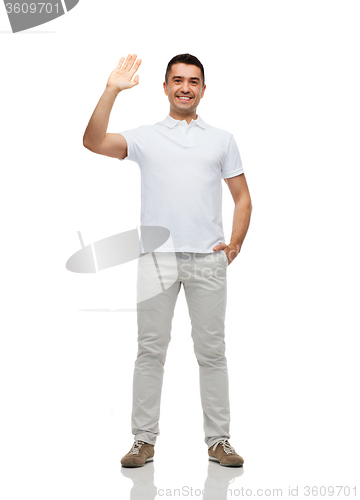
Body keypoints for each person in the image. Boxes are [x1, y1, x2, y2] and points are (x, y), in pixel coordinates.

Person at [83, 53, 252, 468]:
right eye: (177, 80)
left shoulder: (222, 139)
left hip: (207, 261)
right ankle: (143, 441)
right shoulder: (146, 137)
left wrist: (235, 243)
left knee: (212, 352)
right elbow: (92, 141)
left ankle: (219, 441)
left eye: (193, 81)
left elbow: (242, 196)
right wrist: (111, 91)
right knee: (150, 351)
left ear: (203, 89)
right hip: (156, 260)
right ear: (165, 87)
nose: (185, 87)